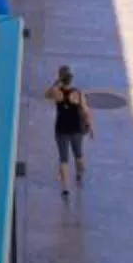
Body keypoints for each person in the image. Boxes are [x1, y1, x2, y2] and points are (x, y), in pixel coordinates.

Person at [46, 66, 91, 201]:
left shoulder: (57, 92)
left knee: (63, 159)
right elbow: (85, 110)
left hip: (61, 129)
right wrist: (90, 125)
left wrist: (55, 83)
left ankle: (65, 188)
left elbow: (46, 94)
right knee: (78, 155)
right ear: (71, 79)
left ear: (60, 78)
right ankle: (79, 173)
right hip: (76, 129)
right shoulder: (78, 93)